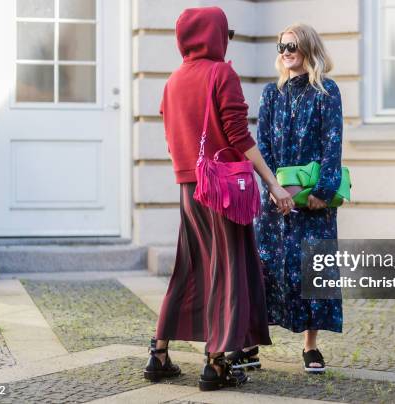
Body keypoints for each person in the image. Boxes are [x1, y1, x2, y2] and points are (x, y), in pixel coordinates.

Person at [143, 7, 294, 391]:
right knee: (227, 270)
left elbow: (172, 134)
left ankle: (158, 354)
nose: (227, 38)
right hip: (223, 189)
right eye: (225, 31)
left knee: (189, 268)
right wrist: (273, 183)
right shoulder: (220, 72)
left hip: (189, 188)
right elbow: (239, 136)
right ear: (212, 35)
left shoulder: (173, 81)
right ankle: (216, 364)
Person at [234, 23, 344, 374]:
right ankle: (251, 344)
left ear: (308, 48)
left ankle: (311, 347)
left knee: (311, 269)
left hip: (313, 203)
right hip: (274, 202)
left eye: (292, 45)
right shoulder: (271, 93)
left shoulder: (327, 91)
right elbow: (261, 142)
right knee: (264, 268)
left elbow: (333, 143)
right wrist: (272, 187)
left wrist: (323, 193)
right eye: (280, 46)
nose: (285, 51)